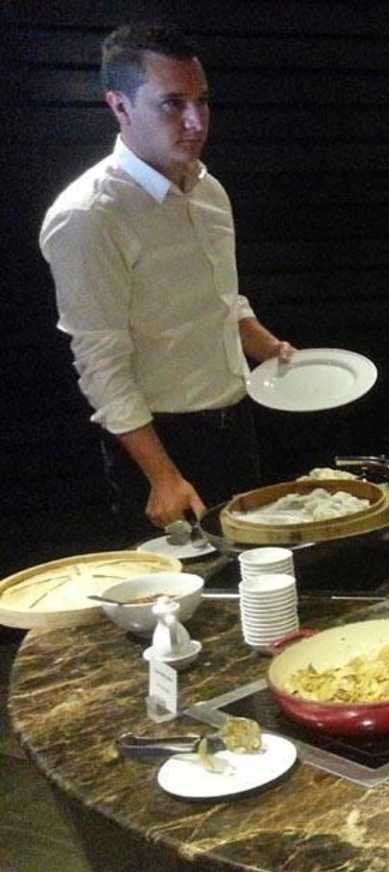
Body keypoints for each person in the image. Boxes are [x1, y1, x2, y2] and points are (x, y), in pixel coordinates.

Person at [39, 23, 292, 540]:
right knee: (183, 588)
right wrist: (162, 476)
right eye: (172, 104)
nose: (195, 121)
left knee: (256, 577)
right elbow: (99, 362)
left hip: (236, 423)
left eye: (202, 100)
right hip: (159, 443)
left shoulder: (209, 191)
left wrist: (269, 347)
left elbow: (222, 299)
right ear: (120, 106)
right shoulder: (89, 215)